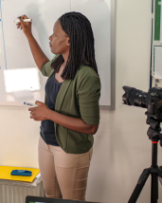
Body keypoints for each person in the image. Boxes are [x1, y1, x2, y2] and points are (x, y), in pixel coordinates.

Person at [17, 12, 100, 201]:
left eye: (55, 34)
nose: (50, 37)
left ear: (69, 40)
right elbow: (43, 65)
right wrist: (29, 35)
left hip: (69, 149)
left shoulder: (86, 76)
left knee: (71, 200)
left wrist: (48, 114)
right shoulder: (59, 63)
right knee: (50, 197)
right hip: (46, 141)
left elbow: (90, 126)